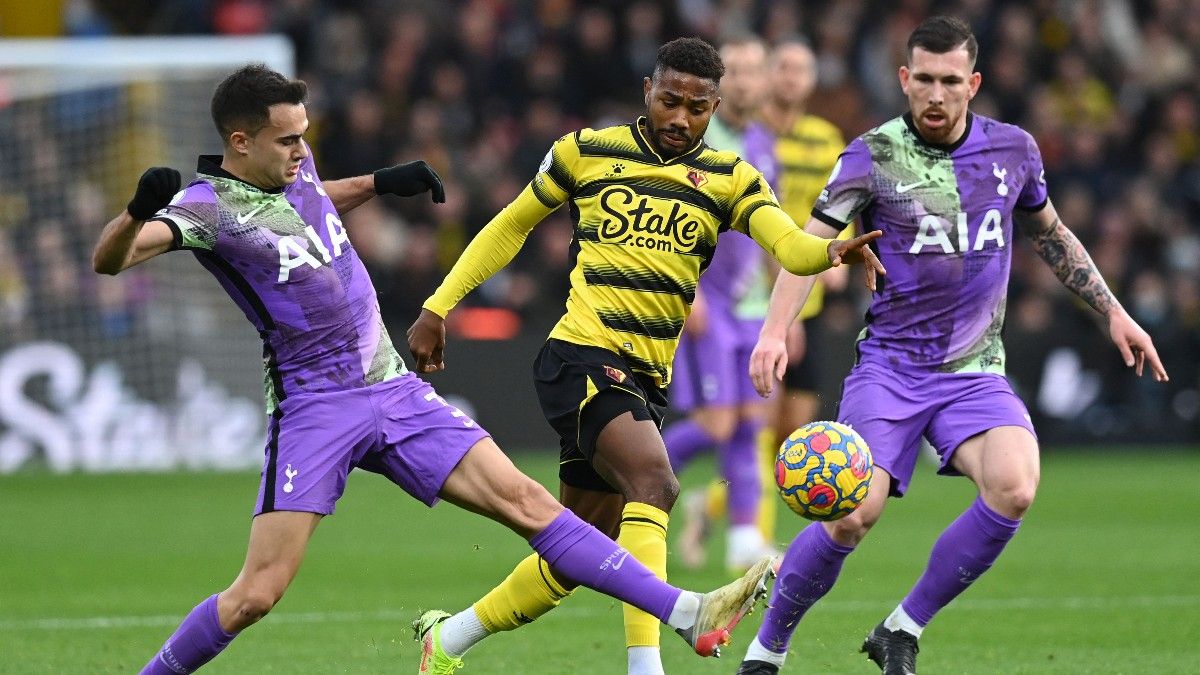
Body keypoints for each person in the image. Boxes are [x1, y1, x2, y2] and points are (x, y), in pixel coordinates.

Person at [91, 63, 783, 675]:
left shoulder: (295, 177)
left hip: (394, 390)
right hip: (316, 408)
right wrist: (133, 213)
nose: (303, 151)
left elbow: (306, 202)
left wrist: (378, 183)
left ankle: (685, 611)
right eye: (288, 140)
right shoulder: (209, 207)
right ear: (240, 143)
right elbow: (113, 258)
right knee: (256, 594)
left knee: (530, 504)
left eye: (305, 135)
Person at [407, 37, 885, 675]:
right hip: (579, 353)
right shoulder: (585, 151)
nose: (680, 118)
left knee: (580, 549)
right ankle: (653, 658)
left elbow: (790, 246)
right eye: (669, 100)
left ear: (714, 107)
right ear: (647, 92)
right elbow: (510, 224)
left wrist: (830, 253)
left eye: (696, 107)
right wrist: (440, 305)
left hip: (644, 377)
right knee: (655, 483)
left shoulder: (730, 178)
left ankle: (449, 641)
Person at [735, 17, 1168, 675]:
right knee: (853, 515)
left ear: (974, 83)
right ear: (906, 80)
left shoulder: (1014, 150)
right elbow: (806, 247)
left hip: (974, 369)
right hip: (891, 366)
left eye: (950, 81)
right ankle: (767, 648)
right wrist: (773, 331)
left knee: (1015, 485)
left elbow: (1052, 235)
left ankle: (900, 627)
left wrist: (1114, 312)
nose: (936, 95)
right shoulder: (872, 154)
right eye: (924, 81)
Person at [659, 37, 780, 573]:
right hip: (709, 299)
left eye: (759, 69)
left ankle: (743, 540)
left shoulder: (762, 141)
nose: (751, 79)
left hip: (754, 307)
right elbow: (667, 220)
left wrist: (782, 309)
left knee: (751, 423)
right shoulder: (698, 145)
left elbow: (772, 226)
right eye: (742, 71)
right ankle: (629, 476)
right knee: (715, 423)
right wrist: (686, 292)